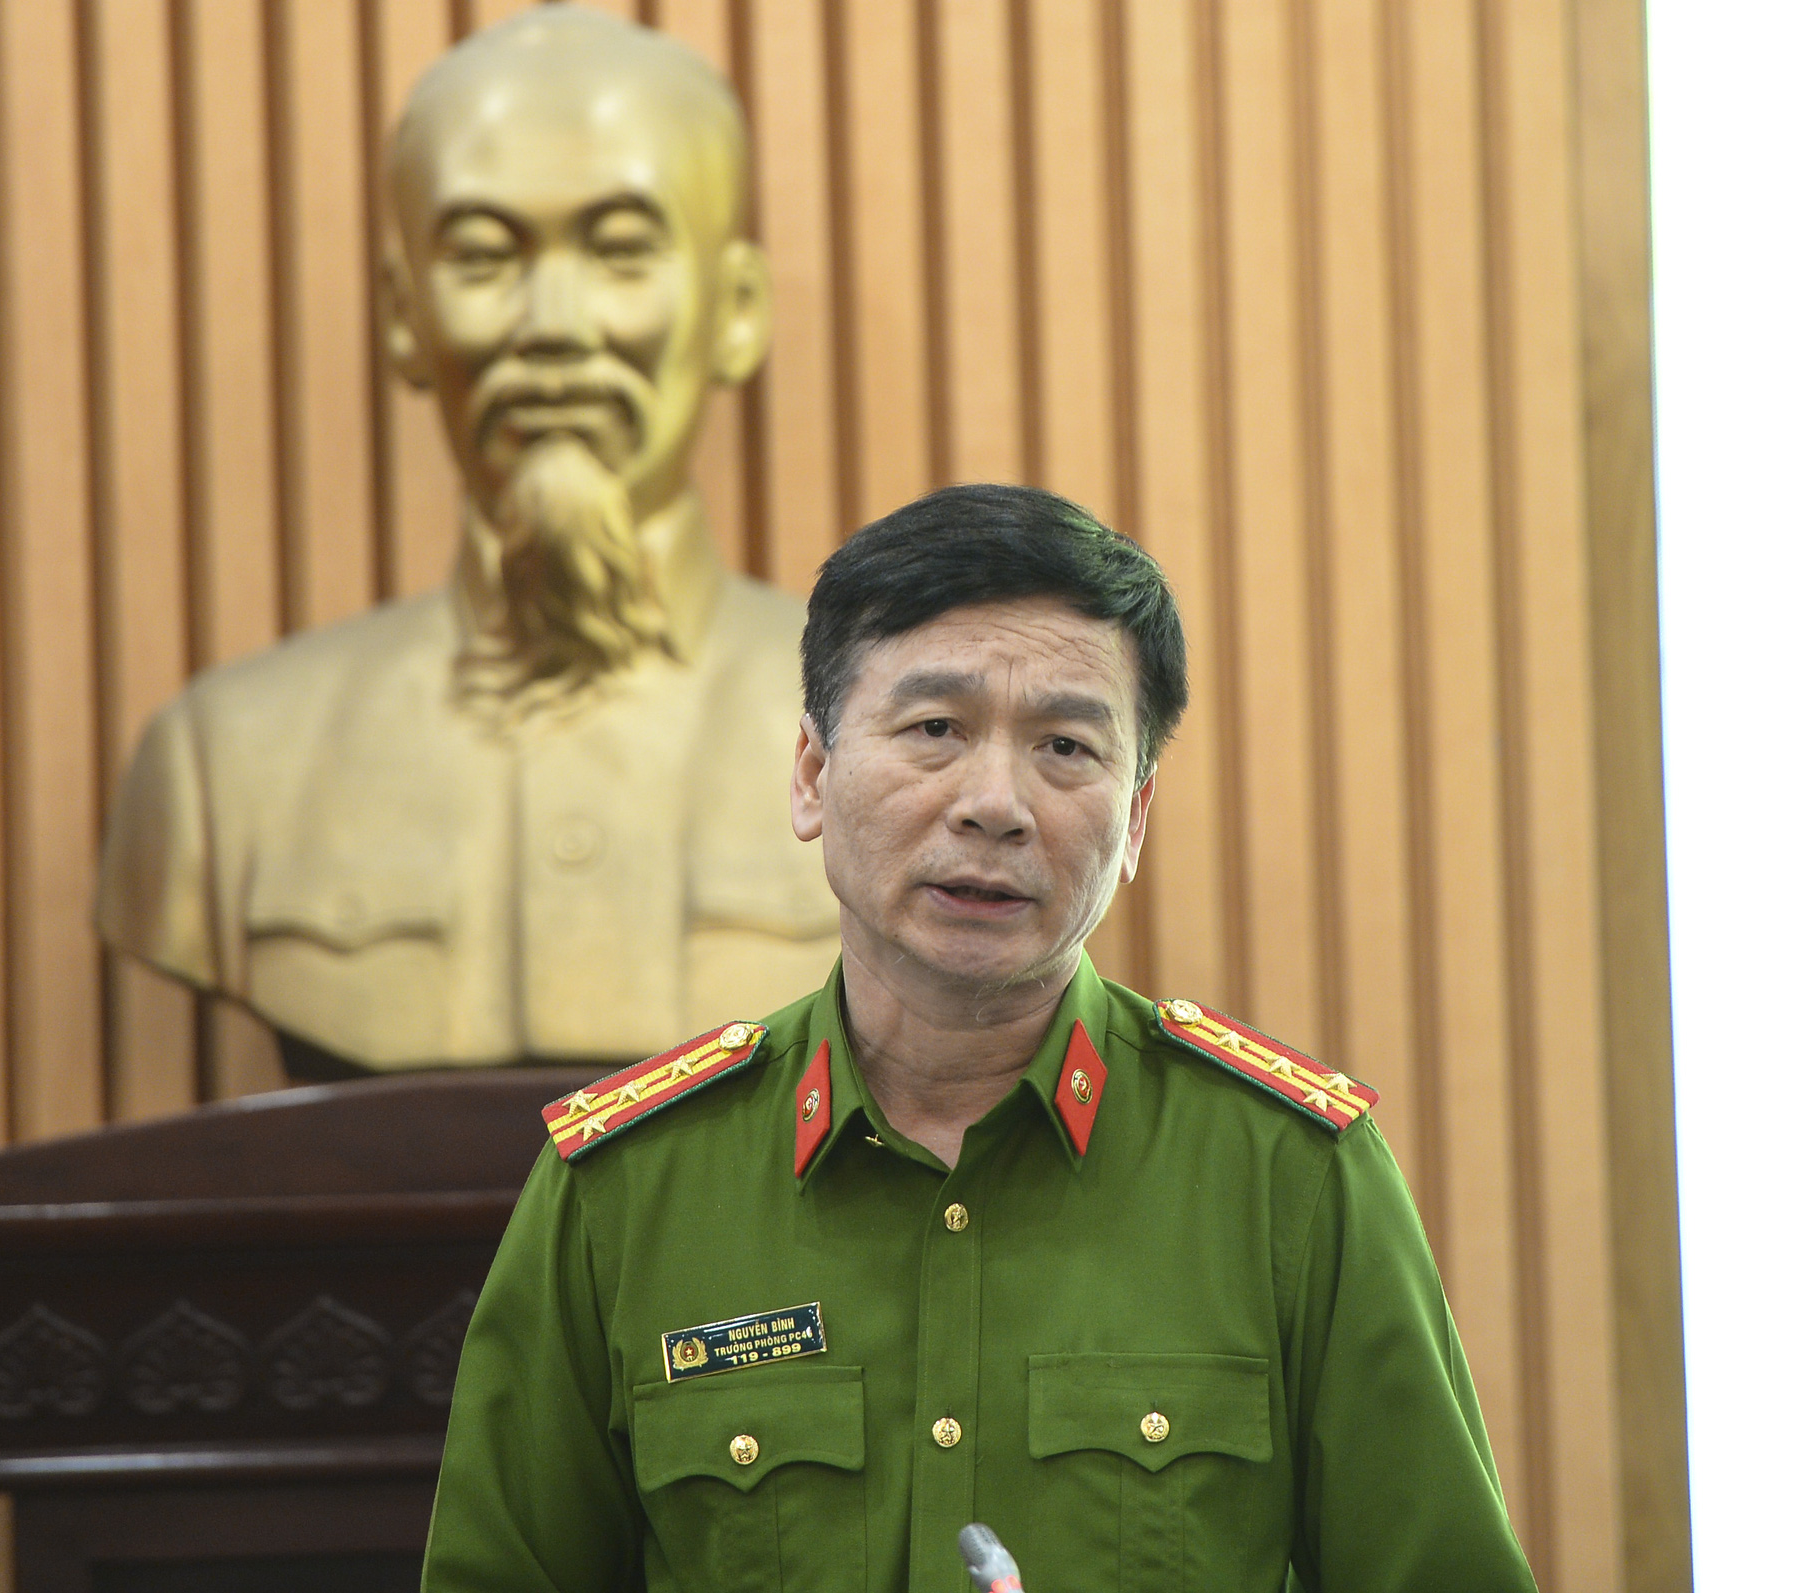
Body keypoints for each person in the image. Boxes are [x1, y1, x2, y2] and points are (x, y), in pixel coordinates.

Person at [420, 483, 1539, 1592]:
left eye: (1065, 746)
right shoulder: (626, 1191)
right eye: (934, 730)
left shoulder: (1288, 1175)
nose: (994, 803)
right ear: (811, 774)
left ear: (1134, 818)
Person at [95, 5, 837, 1077]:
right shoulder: (220, 771)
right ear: (406, 312)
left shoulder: (902, 747)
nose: (553, 324)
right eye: (483, 257)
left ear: (735, 310)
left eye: (621, 251)